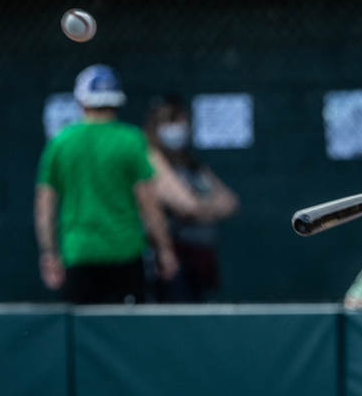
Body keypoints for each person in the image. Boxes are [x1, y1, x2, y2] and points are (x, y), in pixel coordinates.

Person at [35, 65, 178, 304]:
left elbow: (44, 207)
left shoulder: (60, 143)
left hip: (77, 252)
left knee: (82, 333)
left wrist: (49, 253)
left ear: (81, 101)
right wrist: (164, 250)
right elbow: (148, 202)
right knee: (125, 334)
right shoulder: (131, 140)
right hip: (125, 252)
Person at [144, 95, 239, 303]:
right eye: (171, 122)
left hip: (199, 260)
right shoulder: (152, 159)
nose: (178, 128)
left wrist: (199, 207)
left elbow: (230, 202)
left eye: (182, 121)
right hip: (170, 262)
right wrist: (203, 207)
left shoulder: (191, 164)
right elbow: (187, 205)